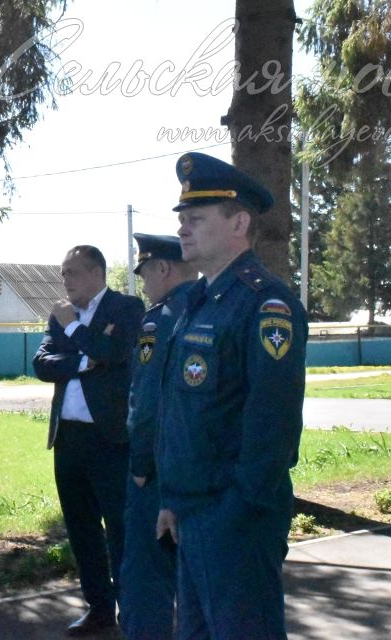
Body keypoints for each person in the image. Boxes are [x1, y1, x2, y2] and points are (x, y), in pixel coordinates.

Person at [155, 152, 308, 639]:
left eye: (196, 218)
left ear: (239, 222)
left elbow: (272, 422)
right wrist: (174, 500)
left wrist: (235, 512)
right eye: (181, 219)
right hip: (191, 513)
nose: (182, 229)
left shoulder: (267, 304)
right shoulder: (193, 302)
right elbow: (182, 413)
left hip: (234, 520)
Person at [32, 245, 144, 637]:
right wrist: (82, 362)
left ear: (97, 273)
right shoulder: (59, 314)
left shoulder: (127, 309)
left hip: (110, 439)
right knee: (81, 529)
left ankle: (133, 611)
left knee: (120, 529)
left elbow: (114, 353)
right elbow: (41, 364)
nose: (65, 280)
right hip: (69, 439)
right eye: (63, 273)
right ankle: (99, 608)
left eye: (72, 272)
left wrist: (77, 332)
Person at [118, 234, 197, 640]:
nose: (145, 282)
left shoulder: (158, 319)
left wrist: (140, 467)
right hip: (198, 469)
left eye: (146, 271)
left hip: (157, 474)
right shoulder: (209, 309)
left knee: (146, 579)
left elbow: (147, 401)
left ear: (163, 268)